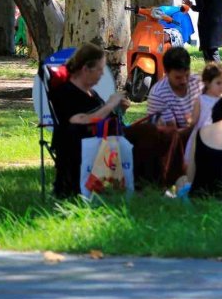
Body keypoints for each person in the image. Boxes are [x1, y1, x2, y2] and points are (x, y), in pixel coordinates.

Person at [49, 43, 130, 198]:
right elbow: (79, 120)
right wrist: (109, 105)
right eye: (99, 69)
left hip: (103, 140)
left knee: (148, 133)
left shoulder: (91, 92)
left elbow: (103, 115)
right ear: (86, 69)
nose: (101, 74)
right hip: (79, 143)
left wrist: (119, 109)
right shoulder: (66, 92)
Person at [184, 62, 222, 164]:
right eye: (218, 83)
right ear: (207, 82)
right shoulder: (201, 100)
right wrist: (189, 120)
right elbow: (195, 119)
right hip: (201, 135)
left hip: (217, 134)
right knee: (198, 161)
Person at [146, 46, 201, 129]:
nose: (184, 81)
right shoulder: (158, 95)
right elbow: (171, 134)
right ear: (166, 73)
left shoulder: (198, 82)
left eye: (187, 75)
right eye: (178, 77)